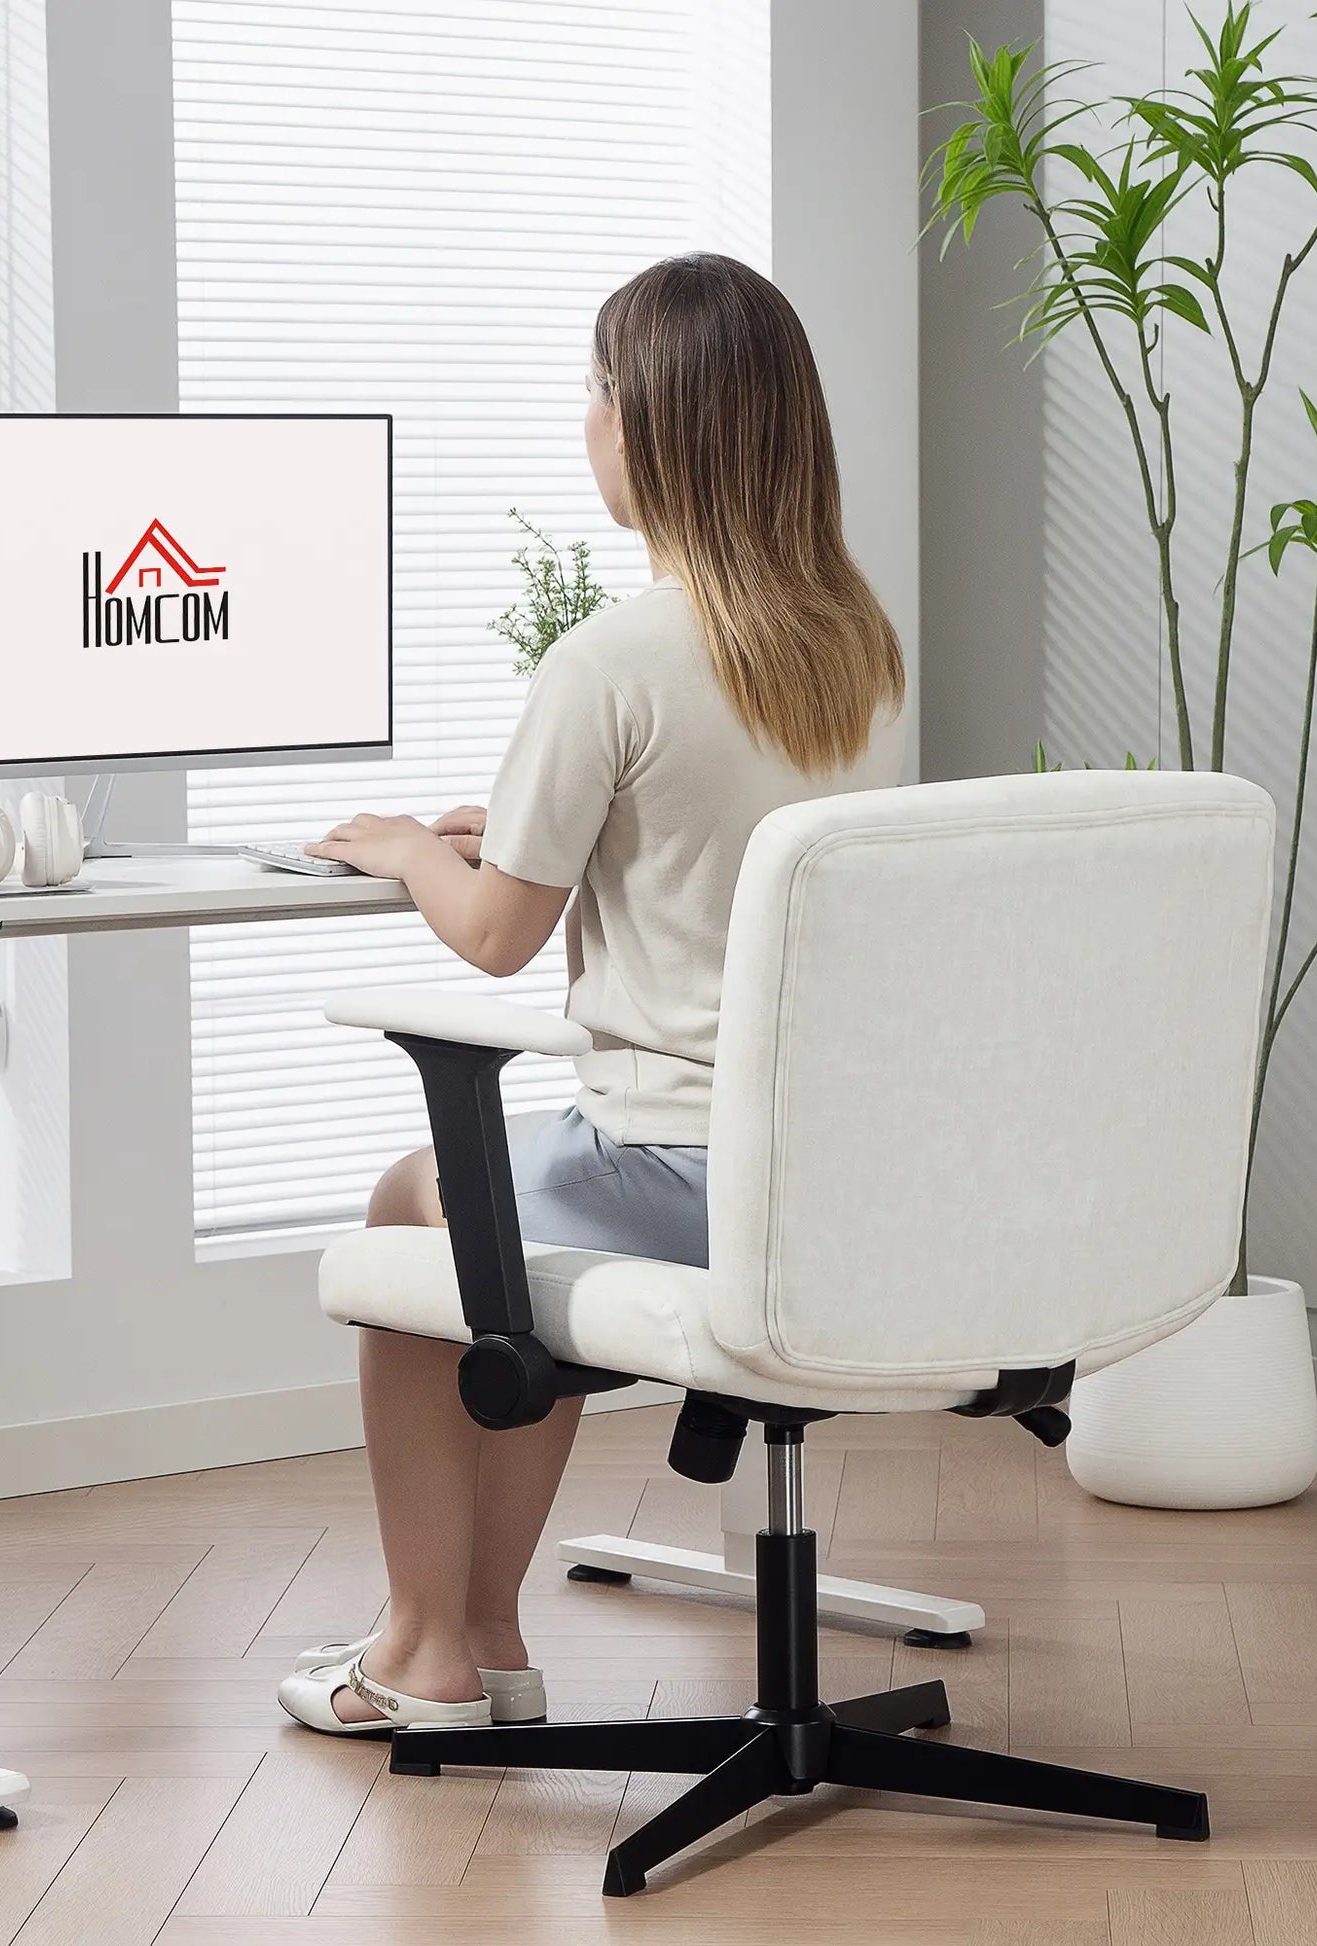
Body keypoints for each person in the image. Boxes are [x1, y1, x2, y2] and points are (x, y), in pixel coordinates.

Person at [278, 252, 905, 1734]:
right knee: (501, 1205)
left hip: (670, 1171)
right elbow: (735, 855)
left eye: (597, 391)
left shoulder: (608, 660)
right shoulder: (854, 647)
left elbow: (494, 936)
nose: (586, 420)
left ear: (653, 427)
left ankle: (425, 1644)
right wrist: (550, 837)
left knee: (420, 1199)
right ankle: (486, 1637)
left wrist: (400, 853)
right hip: (827, 1177)